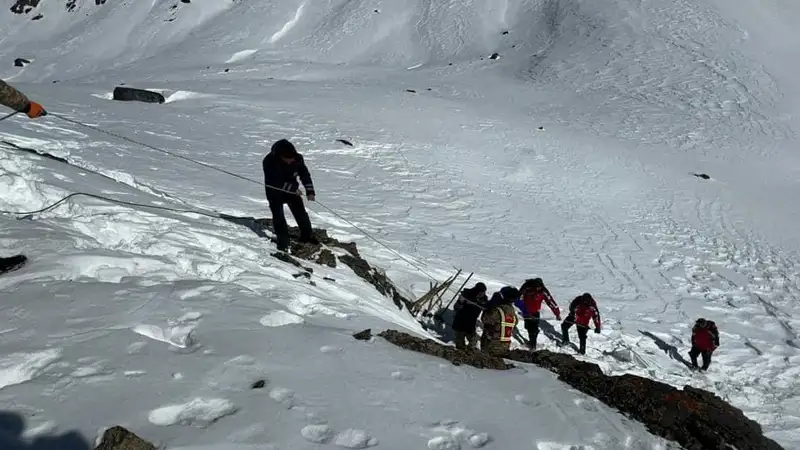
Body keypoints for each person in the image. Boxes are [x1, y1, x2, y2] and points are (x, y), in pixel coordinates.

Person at [262, 139, 319, 251]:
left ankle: (307, 236)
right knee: (278, 216)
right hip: (274, 191)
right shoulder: (269, 161)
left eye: (292, 157)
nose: (291, 160)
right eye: (287, 158)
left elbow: (305, 175)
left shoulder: (297, 159)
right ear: (279, 156)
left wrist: (310, 191)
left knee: (300, 212)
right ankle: (283, 242)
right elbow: (274, 181)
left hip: (292, 191)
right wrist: (293, 189)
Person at [515, 278, 561, 349]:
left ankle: (533, 345)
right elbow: (517, 299)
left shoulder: (543, 291)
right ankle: (532, 339)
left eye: (540, 287)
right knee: (527, 327)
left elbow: (550, 302)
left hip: (536, 312)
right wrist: (524, 309)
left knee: (533, 329)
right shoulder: (526, 287)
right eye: (537, 287)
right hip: (526, 311)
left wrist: (557, 313)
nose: (539, 288)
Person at [480, 286, 519, 356]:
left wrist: (492, 304)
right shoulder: (513, 313)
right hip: (505, 347)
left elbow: (484, 319)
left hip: (491, 347)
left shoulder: (497, 311)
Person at [451, 282, 488, 350]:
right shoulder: (467, 294)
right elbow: (456, 307)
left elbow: (485, 308)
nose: (482, 294)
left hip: (471, 324)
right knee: (460, 346)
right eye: (481, 293)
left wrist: (477, 304)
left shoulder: (484, 299)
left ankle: (468, 353)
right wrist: (460, 302)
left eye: (483, 292)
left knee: (473, 342)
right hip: (460, 323)